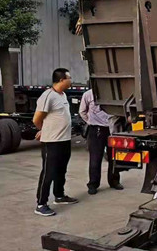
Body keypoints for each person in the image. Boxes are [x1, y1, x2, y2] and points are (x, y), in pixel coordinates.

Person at [33, 68, 79, 216]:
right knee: (48, 172)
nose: (71, 80)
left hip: (64, 140)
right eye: (69, 78)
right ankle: (41, 204)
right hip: (51, 142)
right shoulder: (48, 96)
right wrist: (43, 130)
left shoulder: (63, 95)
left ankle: (59, 195)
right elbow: (37, 119)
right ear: (61, 80)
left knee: (61, 170)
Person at [79, 89, 123, 194]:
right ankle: (93, 184)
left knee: (114, 157)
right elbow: (82, 111)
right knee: (95, 158)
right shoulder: (88, 94)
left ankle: (114, 181)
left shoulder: (115, 93)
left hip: (113, 129)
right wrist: (91, 122)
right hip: (96, 130)